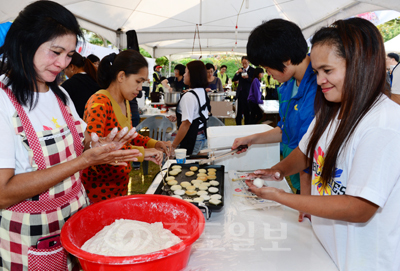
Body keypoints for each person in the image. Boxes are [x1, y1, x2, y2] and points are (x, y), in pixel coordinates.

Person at [246, 18, 400, 271]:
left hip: (363, 260)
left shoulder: (383, 124)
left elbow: (359, 207)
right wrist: (279, 171)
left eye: (327, 71)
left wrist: (283, 197)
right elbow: (306, 152)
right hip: (327, 250)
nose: (319, 81)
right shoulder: (333, 110)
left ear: (360, 65)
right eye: (317, 72)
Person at [0, 1, 141, 270]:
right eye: (56, 52)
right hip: (32, 239)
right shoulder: (3, 102)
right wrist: (83, 162)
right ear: (24, 42)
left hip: (76, 224)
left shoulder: (59, 94)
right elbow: (3, 192)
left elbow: (80, 141)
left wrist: (100, 146)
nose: (63, 63)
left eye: (69, 54)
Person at [232, 19, 317, 194]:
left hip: (316, 186)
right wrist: (252, 139)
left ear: (285, 59)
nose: (267, 73)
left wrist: (306, 200)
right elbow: (285, 129)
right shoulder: (287, 87)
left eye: (268, 67)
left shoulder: (320, 87)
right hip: (298, 180)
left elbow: (310, 149)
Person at [82, 50, 169, 203]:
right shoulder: (100, 102)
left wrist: (154, 143)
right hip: (99, 188)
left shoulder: (125, 102)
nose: (141, 88)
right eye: (138, 81)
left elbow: (129, 136)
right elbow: (94, 145)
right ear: (121, 76)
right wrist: (142, 152)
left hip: (119, 185)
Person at [168, 61, 210, 155]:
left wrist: (173, 146)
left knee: (188, 166)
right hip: (202, 135)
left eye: (186, 72)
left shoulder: (189, 96)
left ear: (193, 75)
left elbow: (186, 123)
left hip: (193, 138)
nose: (184, 75)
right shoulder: (201, 91)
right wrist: (179, 116)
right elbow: (197, 112)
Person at [62, 52, 100, 118]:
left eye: (64, 69)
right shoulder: (95, 79)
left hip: (80, 126)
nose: (65, 73)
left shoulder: (68, 85)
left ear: (71, 67)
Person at [233, 56, 255, 125]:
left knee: (247, 112)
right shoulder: (240, 69)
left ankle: (246, 126)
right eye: (243, 63)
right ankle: (238, 126)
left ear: (249, 62)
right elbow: (234, 79)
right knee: (239, 112)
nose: (244, 65)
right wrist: (237, 73)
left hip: (248, 94)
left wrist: (248, 77)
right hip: (240, 94)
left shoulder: (253, 70)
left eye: (245, 63)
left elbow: (255, 81)